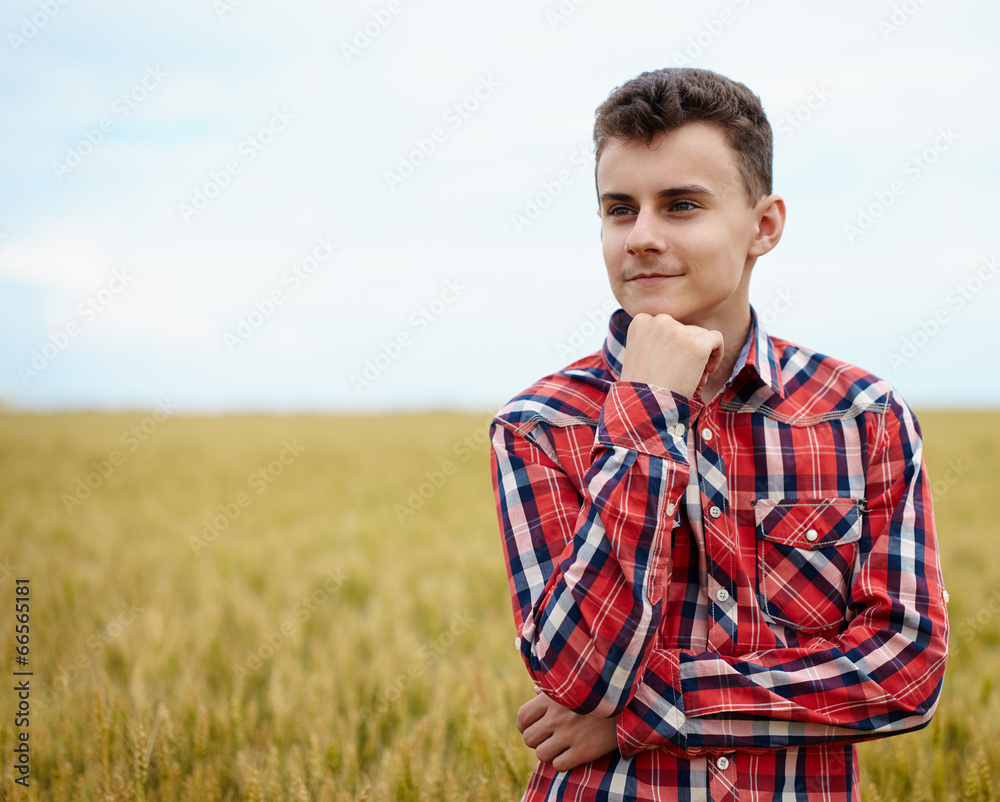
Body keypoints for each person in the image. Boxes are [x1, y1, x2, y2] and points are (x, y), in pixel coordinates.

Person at [489, 67, 949, 801]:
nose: (640, 237)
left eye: (680, 206)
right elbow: (576, 674)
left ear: (764, 225)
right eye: (618, 209)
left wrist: (643, 713)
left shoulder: (864, 417)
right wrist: (647, 407)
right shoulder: (542, 426)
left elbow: (904, 674)